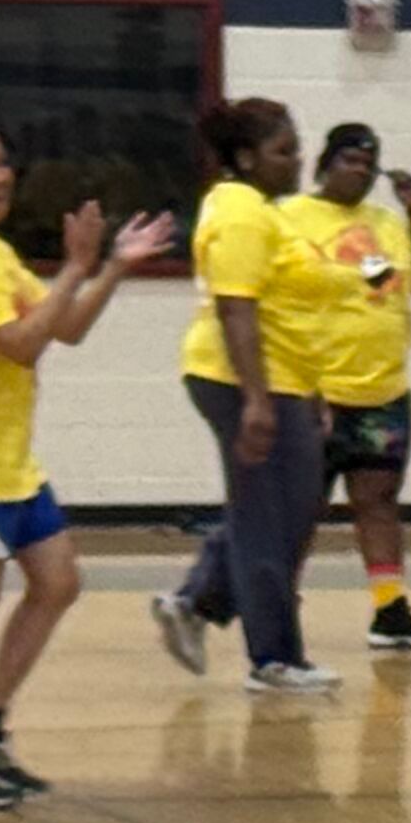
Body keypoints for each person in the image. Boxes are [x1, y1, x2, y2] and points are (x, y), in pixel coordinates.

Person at [0, 117, 171, 809]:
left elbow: (65, 327)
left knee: (57, 580)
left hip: (8, 458)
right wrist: (75, 267)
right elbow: (19, 344)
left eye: (0, 164)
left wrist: (111, 267)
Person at [150, 99, 351, 696]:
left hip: (286, 381)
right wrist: (258, 402)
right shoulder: (238, 211)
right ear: (246, 157)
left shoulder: (268, 211)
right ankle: (275, 658)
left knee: (285, 512)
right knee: (270, 519)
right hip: (241, 380)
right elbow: (238, 309)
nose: (297, 160)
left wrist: (307, 389)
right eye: (284, 150)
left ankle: (193, 601)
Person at [288, 123, 411, 653]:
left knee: (377, 500)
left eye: (368, 164)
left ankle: (390, 610)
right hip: (316, 390)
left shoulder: (383, 223)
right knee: (300, 505)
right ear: (324, 164)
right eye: (348, 161)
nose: (358, 171)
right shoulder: (292, 218)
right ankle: (279, 606)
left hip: (382, 389)